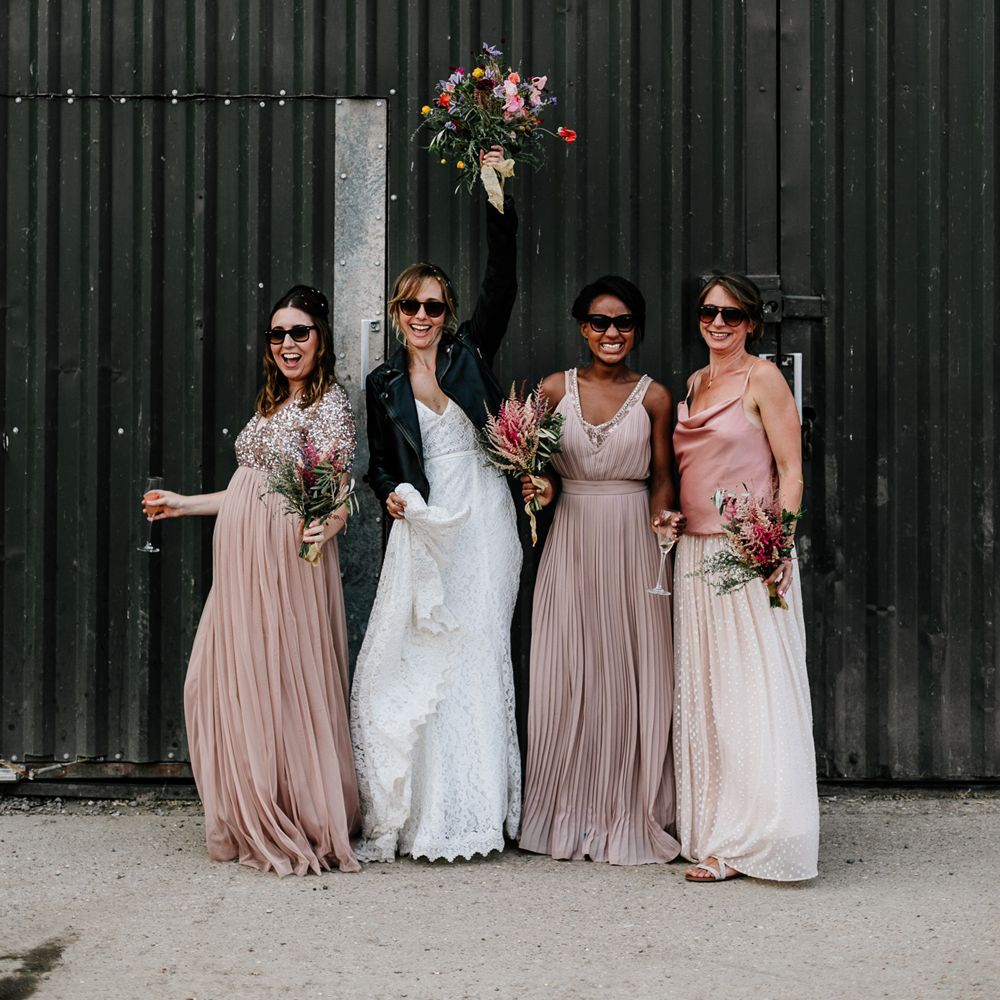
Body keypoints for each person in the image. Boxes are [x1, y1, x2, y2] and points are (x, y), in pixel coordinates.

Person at [143, 285, 361, 876]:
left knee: (281, 681)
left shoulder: (329, 406)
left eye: (299, 333)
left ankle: (296, 810)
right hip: (240, 565)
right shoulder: (271, 403)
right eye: (277, 335)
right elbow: (247, 490)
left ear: (321, 339)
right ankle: (250, 808)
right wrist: (183, 504)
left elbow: (339, 489)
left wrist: (331, 524)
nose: (288, 344)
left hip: (284, 562)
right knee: (214, 682)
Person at [351, 147, 522, 862]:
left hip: (483, 517)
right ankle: (423, 811)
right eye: (410, 305)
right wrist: (391, 497)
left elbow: (504, 281)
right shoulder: (381, 381)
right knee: (420, 653)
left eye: (434, 306)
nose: (422, 315)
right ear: (395, 311)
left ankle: (477, 811)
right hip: (426, 526)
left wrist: (497, 186)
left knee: (478, 652)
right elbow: (380, 469)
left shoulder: (469, 355)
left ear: (448, 313)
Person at [518, 275, 684, 865]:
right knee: (566, 670)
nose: (611, 333)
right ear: (582, 327)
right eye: (599, 322)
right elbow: (532, 463)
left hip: (634, 538)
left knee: (627, 671)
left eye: (623, 323)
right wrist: (538, 484)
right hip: (572, 534)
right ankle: (563, 811)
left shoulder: (657, 396)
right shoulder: (553, 389)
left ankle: (628, 808)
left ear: (636, 330)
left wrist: (666, 515)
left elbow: (663, 472)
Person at [672, 272, 819, 882]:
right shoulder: (695, 382)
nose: (718, 324)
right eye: (709, 313)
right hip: (695, 556)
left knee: (752, 692)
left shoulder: (764, 378)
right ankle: (716, 831)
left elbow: (791, 469)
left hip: (746, 556)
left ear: (751, 324)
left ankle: (760, 834)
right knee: (708, 695)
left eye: (732, 316)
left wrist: (777, 545)